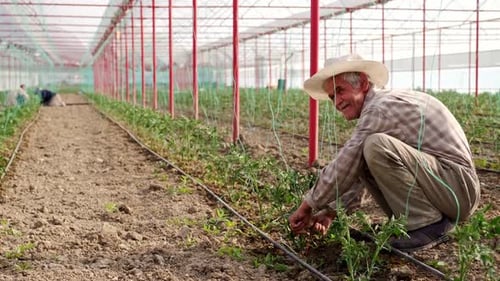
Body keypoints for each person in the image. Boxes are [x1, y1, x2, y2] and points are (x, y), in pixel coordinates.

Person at [289, 54, 480, 253]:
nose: (337, 102)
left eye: (340, 91)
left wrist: (308, 205)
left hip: (458, 190)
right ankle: (410, 223)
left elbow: (345, 162)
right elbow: (353, 167)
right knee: (365, 150)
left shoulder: (379, 108)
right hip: (448, 187)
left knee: (374, 145)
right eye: (331, 97)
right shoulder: (380, 106)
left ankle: (426, 225)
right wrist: (330, 211)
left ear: (363, 83)